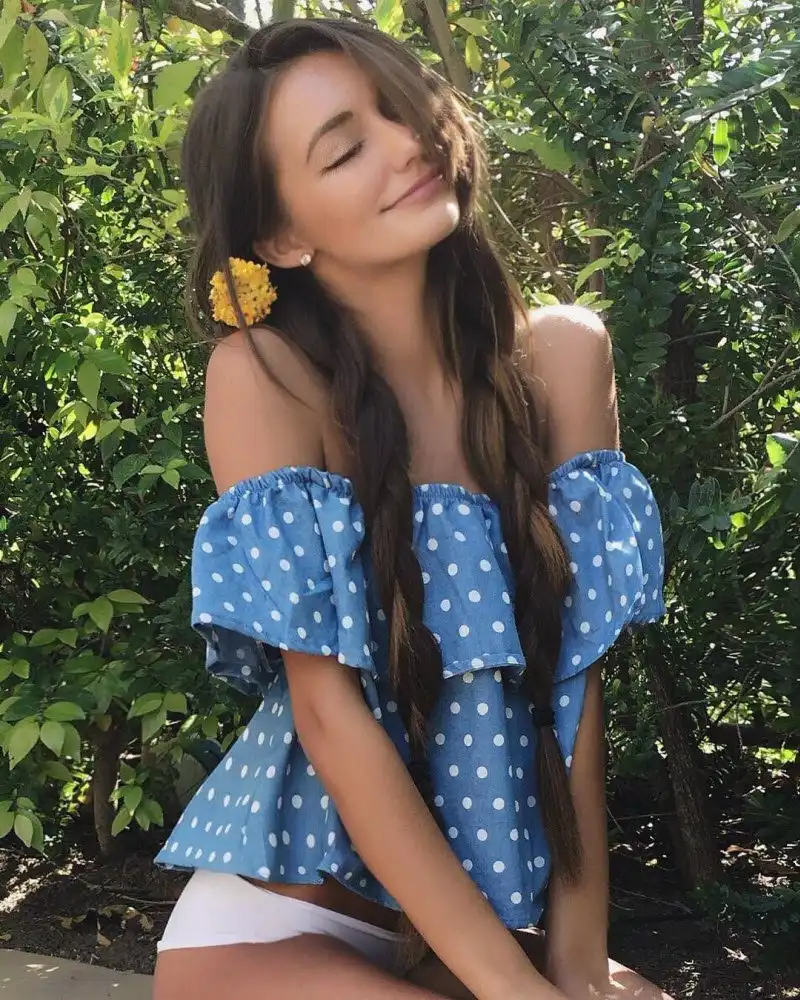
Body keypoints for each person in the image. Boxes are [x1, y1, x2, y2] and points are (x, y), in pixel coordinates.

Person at [153, 17, 672, 1000]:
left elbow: (576, 685)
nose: (406, 144)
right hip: (278, 932)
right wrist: (516, 991)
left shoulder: (564, 357)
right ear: (283, 237)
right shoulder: (266, 376)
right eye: (345, 148)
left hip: (458, 940)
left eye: (402, 107)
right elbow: (328, 716)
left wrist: (574, 965)